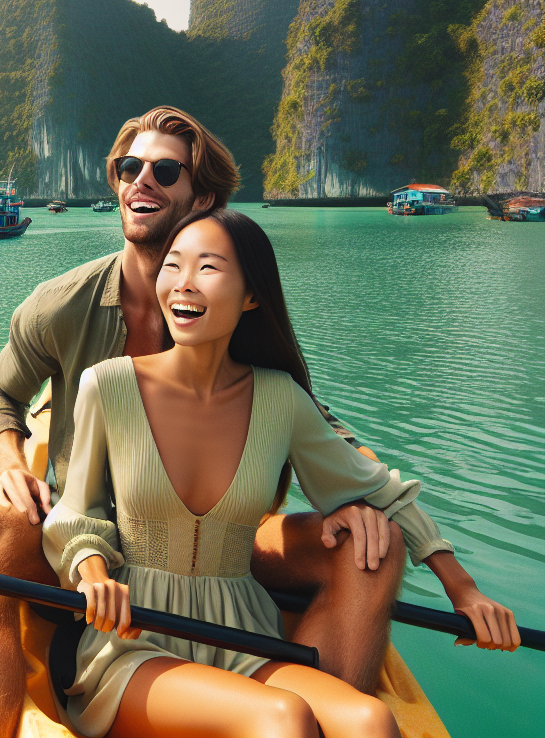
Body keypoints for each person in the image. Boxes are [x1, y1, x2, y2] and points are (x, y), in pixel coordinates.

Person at [0, 106, 518, 738]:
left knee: (373, 544)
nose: (141, 182)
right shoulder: (65, 308)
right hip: (90, 542)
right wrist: (10, 463)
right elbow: (0, 392)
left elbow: (311, 417)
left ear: (202, 198)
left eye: (165, 171)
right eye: (129, 168)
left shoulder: (235, 329)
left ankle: (314, 705)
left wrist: (368, 504)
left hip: (220, 547)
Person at [43, 208, 519, 738]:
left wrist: (465, 589)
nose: (183, 283)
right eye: (173, 266)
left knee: (369, 720)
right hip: (136, 642)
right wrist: (92, 572)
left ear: (252, 295)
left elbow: (381, 492)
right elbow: (76, 510)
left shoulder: (280, 399)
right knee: (281, 718)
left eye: (208, 268)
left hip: (246, 636)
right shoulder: (107, 384)